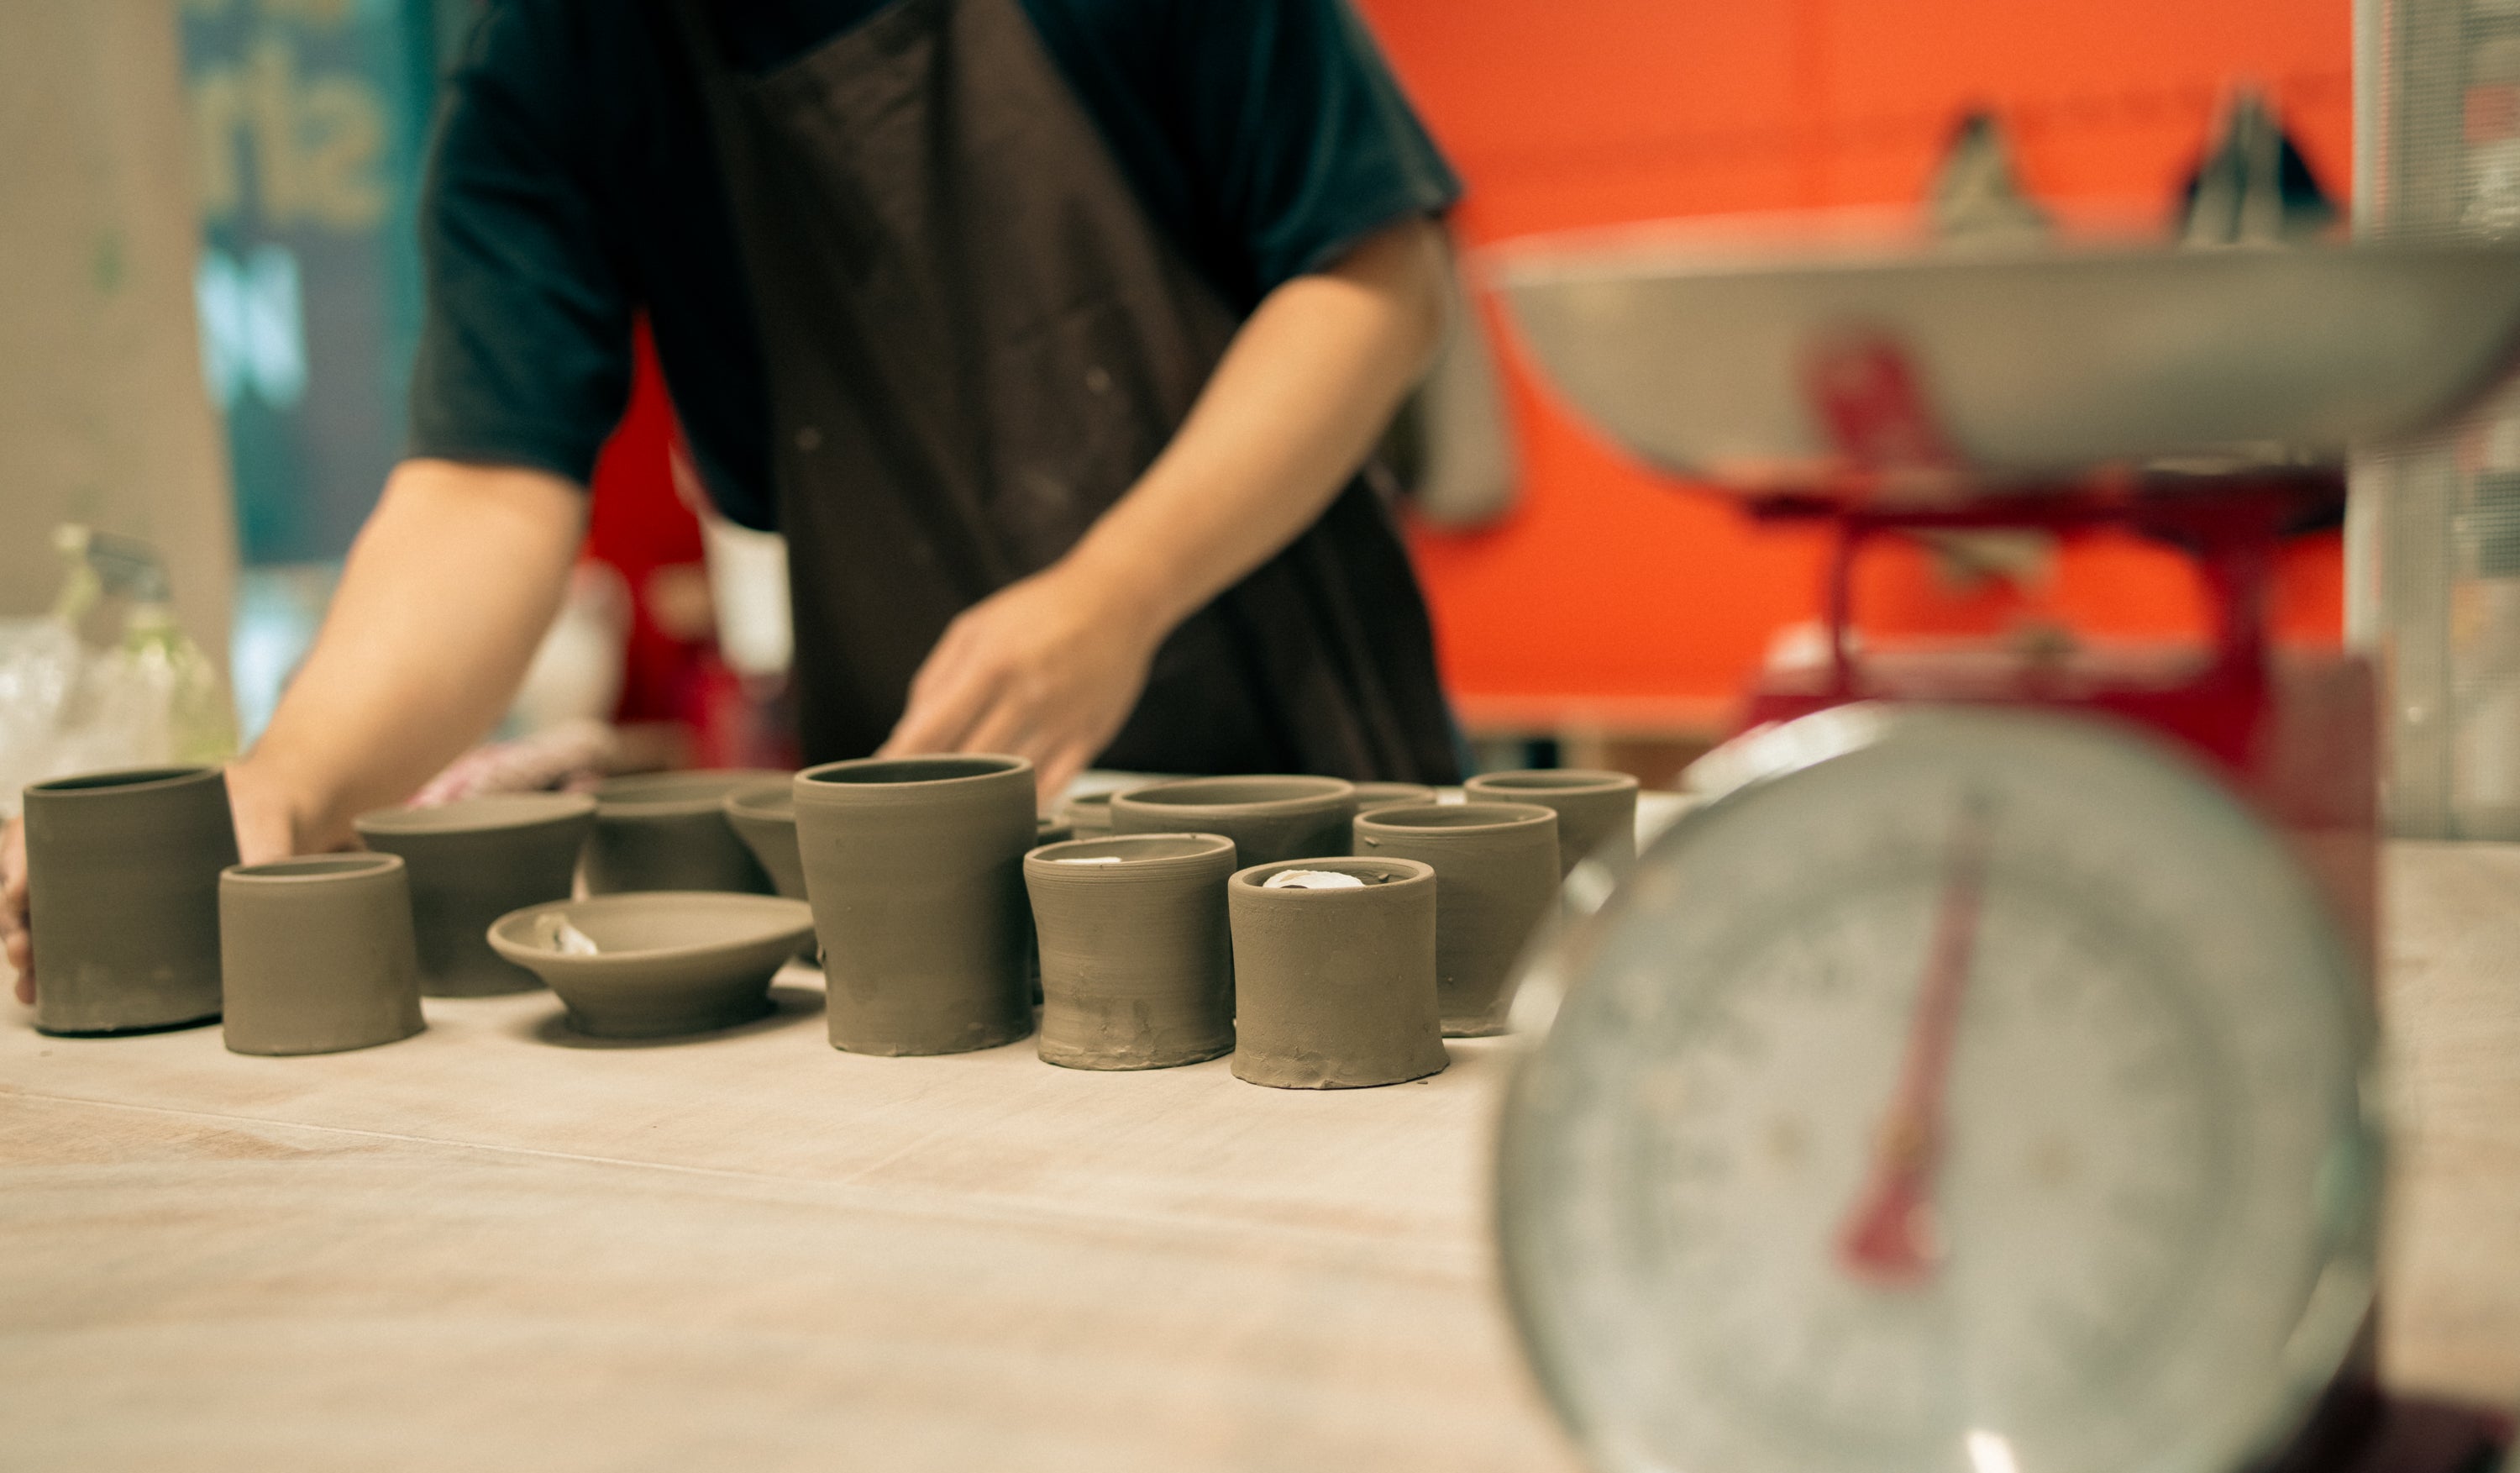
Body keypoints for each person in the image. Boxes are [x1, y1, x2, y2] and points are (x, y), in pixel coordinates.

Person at [3, 0, 1468, 1006]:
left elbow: (1375, 275)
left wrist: (1117, 591)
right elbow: (486, 485)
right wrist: (298, 778)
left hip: (1308, 786)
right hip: (924, 847)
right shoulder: (559, 61)